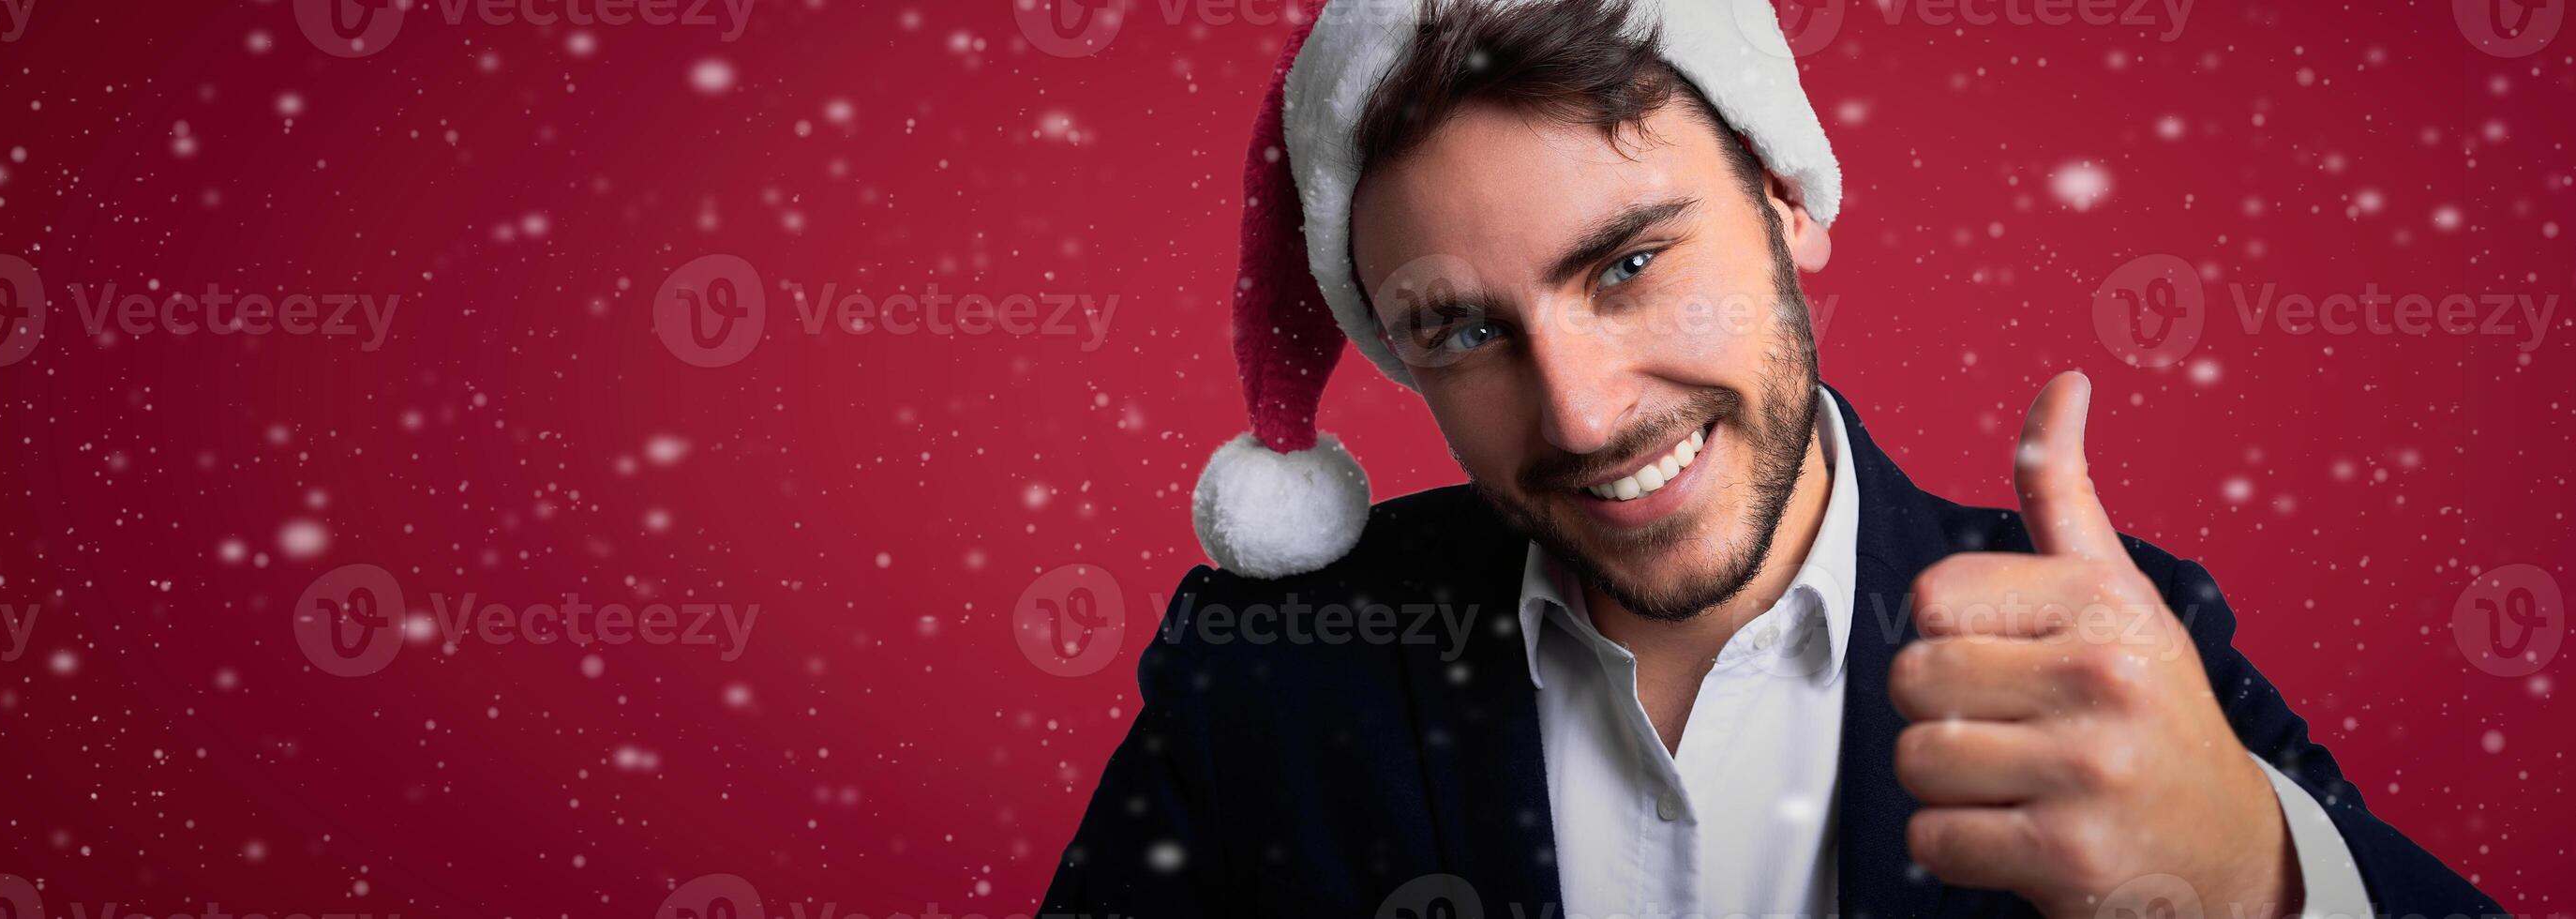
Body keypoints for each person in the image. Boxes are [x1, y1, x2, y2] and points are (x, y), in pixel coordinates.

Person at [1043, 1, 2501, 916]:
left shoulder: (2111, 642)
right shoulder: (1268, 676)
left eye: (1626, 264)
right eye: (1461, 330)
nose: (1583, 413)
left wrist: (2256, 879)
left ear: (1787, 205)